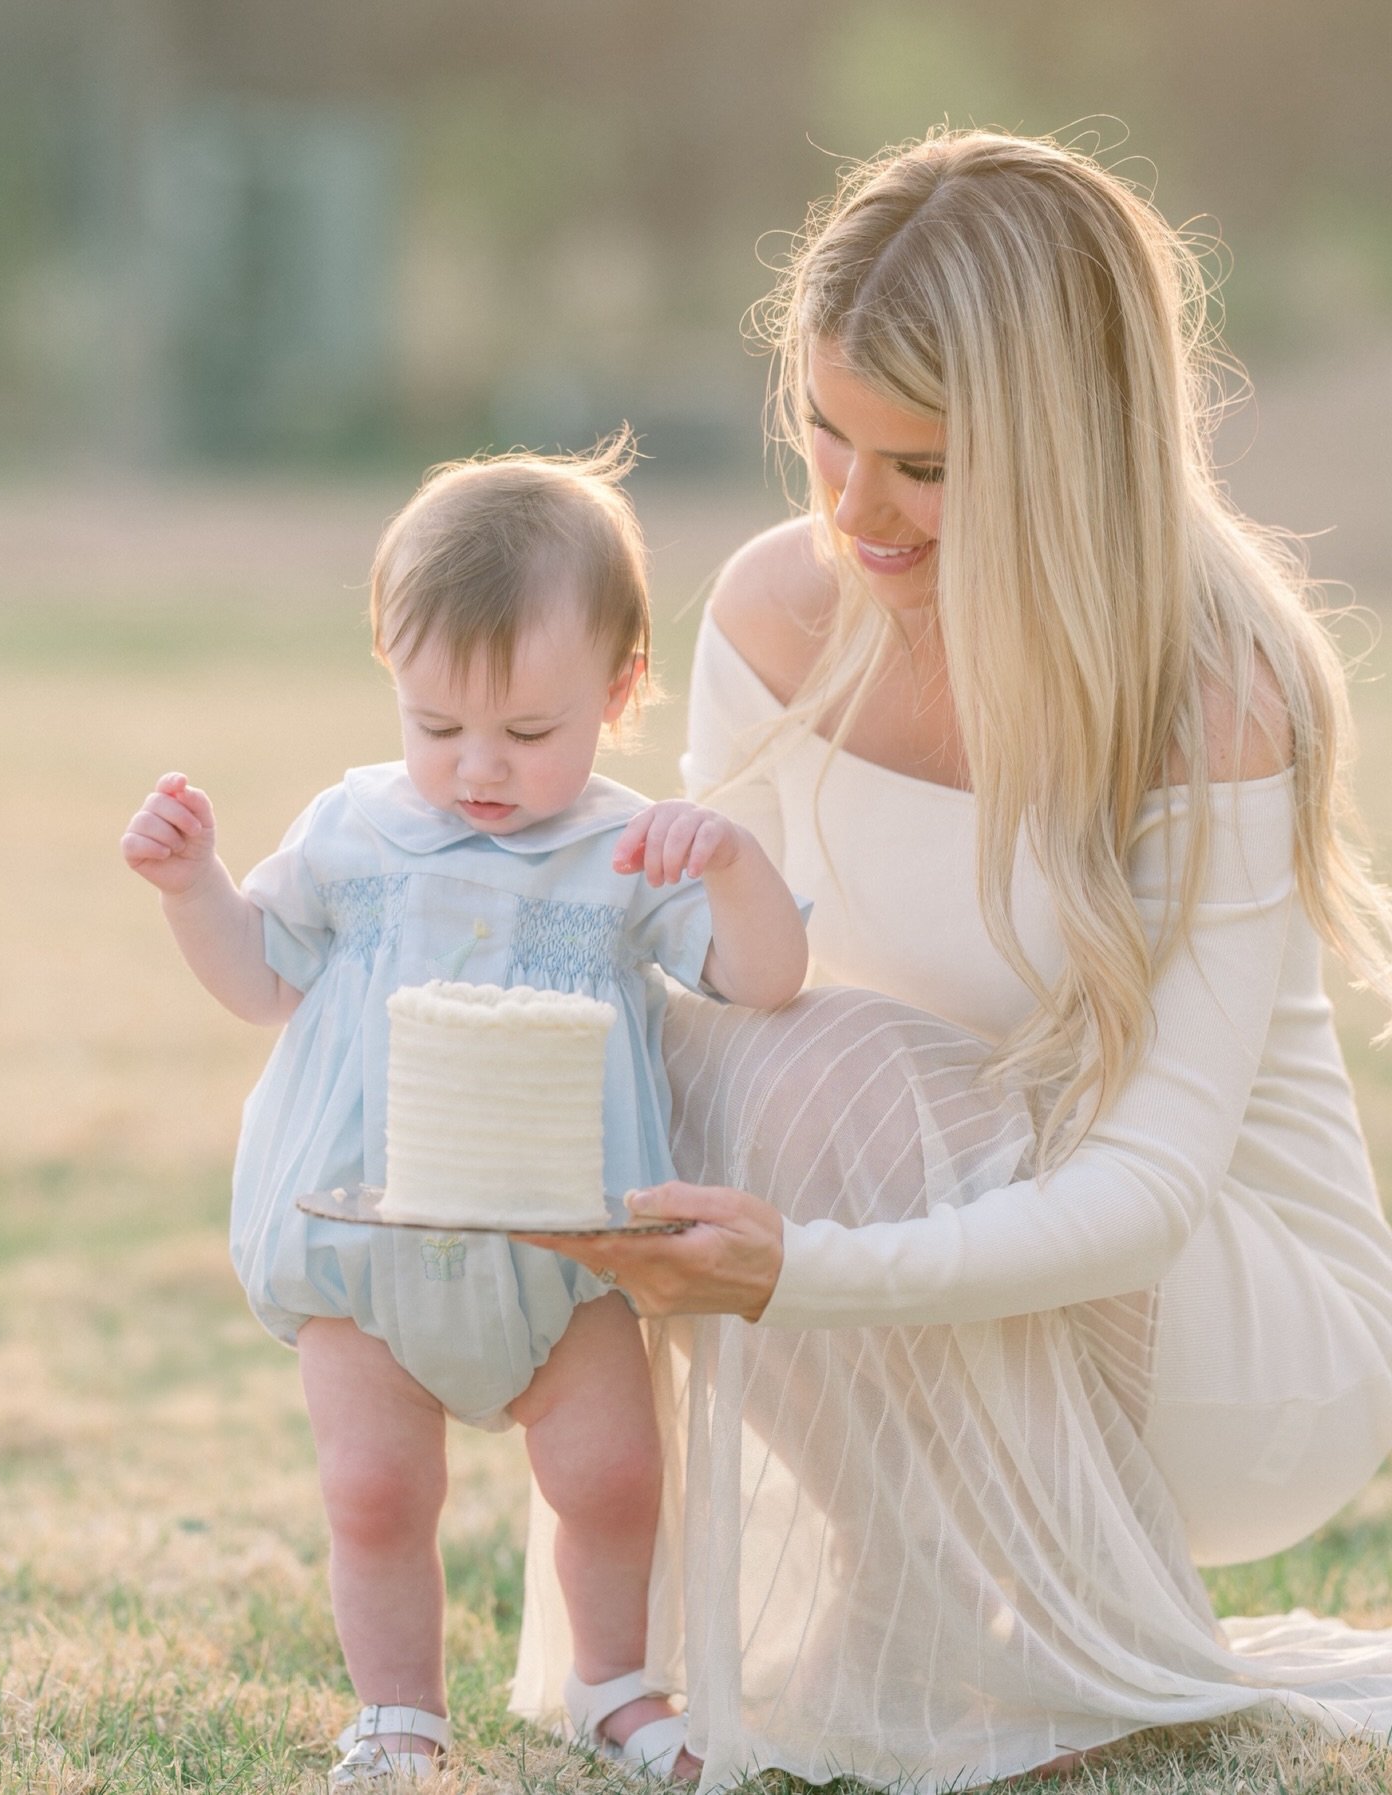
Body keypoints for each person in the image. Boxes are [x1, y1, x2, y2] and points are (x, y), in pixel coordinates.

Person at [515, 130, 1392, 1789]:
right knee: (673, 1059)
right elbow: (704, 997)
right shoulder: (779, 611)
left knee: (829, 1064)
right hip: (896, 1225)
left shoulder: (1212, 690)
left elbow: (1150, 1189)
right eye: (825, 433)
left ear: (1066, 451)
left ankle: (990, 1628)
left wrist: (804, 1273)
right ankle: (901, 1585)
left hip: (1226, 1341)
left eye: (921, 463)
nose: (853, 510)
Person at [120, 442, 807, 1788]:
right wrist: (195, 890)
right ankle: (398, 1713)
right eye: (437, 726)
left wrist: (733, 865)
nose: (479, 768)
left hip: (566, 1246)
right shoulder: (354, 829)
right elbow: (262, 983)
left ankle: (614, 1682)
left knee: (611, 1478)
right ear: (390, 667)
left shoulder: (624, 851)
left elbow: (766, 979)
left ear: (619, 692)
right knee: (375, 1491)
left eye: (529, 734)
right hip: (366, 1240)